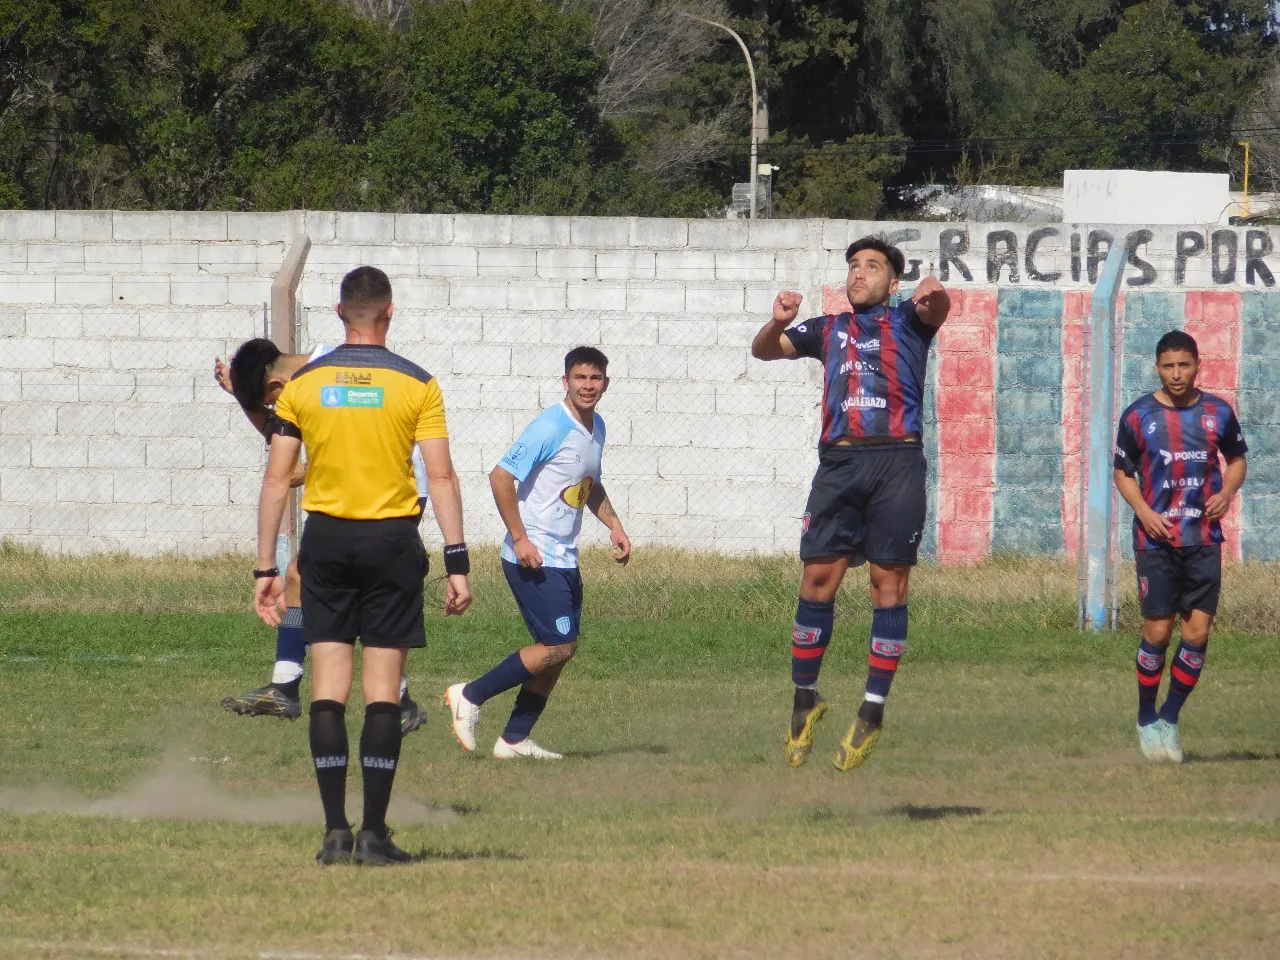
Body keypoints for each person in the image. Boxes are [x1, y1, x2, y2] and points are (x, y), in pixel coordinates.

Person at [254, 266, 471, 865]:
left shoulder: (304, 384)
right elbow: (444, 476)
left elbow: (277, 479)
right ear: (390, 313)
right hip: (391, 544)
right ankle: (374, 834)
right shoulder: (418, 384)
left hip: (325, 543)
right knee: (381, 693)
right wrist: (458, 560)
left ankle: (333, 834)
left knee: (327, 689)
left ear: (339, 312)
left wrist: (265, 567)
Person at [751, 235, 950, 772]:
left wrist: (932, 292)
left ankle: (873, 710)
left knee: (889, 584)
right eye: (853, 266)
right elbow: (764, 350)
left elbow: (938, 305)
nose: (859, 274)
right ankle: (804, 699)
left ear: (892, 281)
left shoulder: (911, 320)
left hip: (898, 464)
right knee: (817, 580)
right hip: (839, 465)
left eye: (872, 266)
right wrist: (776, 320)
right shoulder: (827, 328)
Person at [214, 340, 429, 735]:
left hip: (395, 489)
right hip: (362, 485)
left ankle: (394, 699)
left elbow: (292, 468)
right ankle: (286, 685)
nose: (273, 411)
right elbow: (284, 443)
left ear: (277, 384)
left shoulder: (326, 376)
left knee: (360, 589)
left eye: (268, 401)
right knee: (299, 576)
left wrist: (286, 475)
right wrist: (246, 400)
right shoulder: (309, 372)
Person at [445, 346, 630, 760]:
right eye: (580, 378)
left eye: (595, 378)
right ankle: (469, 696)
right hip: (534, 555)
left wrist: (614, 524)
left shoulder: (596, 426)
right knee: (558, 646)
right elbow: (500, 477)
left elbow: (588, 483)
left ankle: (513, 740)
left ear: (606, 383)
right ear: (565, 382)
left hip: (565, 557)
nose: (588, 385)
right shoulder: (550, 426)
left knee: (561, 652)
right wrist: (520, 537)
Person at [1113, 330, 1247, 763]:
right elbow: (1122, 472)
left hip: (1204, 539)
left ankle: (1169, 720)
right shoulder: (1138, 416)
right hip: (1157, 542)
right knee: (1158, 632)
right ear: (1158, 367)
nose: (1176, 374)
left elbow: (1238, 460)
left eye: (1184, 365)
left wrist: (1226, 493)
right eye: (1168, 366)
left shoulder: (1218, 412)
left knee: (1198, 633)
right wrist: (1144, 512)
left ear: (1197, 365)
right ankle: (1144, 718)